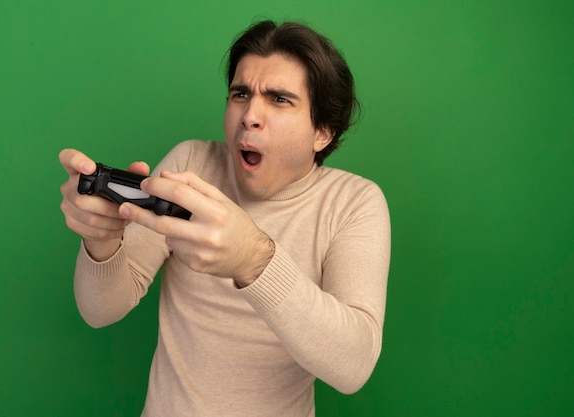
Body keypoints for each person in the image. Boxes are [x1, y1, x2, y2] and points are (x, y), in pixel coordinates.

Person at [59, 20, 391, 417]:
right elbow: (100, 311)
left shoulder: (354, 203)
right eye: (240, 94)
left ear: (322, 131)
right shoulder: (191, 164)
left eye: (279, 99)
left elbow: (353, 366)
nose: (250, 115)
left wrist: (254, 260)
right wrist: (102, 240)